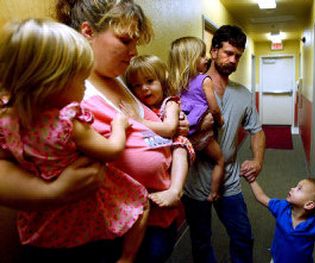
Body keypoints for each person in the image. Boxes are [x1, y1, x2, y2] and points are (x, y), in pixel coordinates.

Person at [0, 18, 149, 263]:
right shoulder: (68, 122)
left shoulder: (7, 121)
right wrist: (118, 125)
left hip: (41, 228)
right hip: (88, 219)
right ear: (52, 81)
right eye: (81, 81)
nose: (84, 87)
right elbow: (111, 150)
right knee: (141, 203)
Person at [56, 0, 190, 262]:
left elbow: (154, 130)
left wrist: (174, 128)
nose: (134, 51)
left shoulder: (121, 79)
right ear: (88, 32)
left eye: (135, 42)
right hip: (116, 236)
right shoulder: (70, 94)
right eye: (126, 40)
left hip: (159, 219)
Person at [182, 25, 266, 263]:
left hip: (229, 178)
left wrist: (258, 160)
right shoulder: (189, 87)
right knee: (201, 239)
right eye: (228, 53)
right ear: (214, 50)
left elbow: (257, 131)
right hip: (194, 179)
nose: (233, 60)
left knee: (243, 235)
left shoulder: (243, 94)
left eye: (237, 56)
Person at [123, 54, 195, 207]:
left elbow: (169, 129)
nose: (144, 88)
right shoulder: (142, 106)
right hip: (160, 149)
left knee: (180, 147)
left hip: (174, 142)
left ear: (162, 82)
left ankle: (175, 190)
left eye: (150, 81)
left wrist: (140, 121)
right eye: (137, 85)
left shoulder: (170, 103)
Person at [169, 37, 225, 202]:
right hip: (204, 138)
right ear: (191, 59)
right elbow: (214, 108)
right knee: (220, 160)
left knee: (182, 164)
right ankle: (214, 193)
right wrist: (219, 119)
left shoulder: (174, 82)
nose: (206, 58)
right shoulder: (204, 80)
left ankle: (178, 188)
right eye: (201, 55)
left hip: (188, 136)